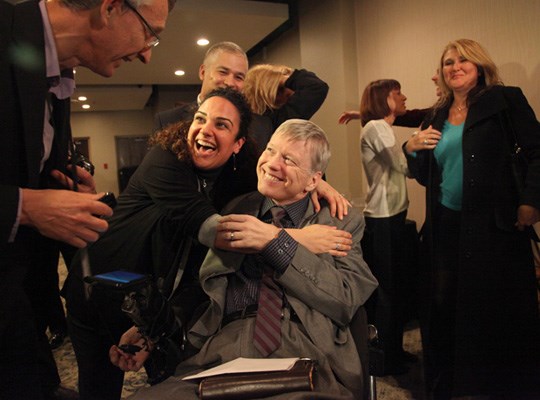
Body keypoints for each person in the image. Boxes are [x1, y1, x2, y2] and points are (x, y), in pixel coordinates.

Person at [111, 119, 378, 399]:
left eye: (289, 159)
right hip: (222, 348)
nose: (272, 164)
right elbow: (198, 285)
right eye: (271, 151)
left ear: (314, 179)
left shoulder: (340, 220)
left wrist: (275, 241)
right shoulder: (235, 208)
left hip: (305, 350)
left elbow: (347, 299)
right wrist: (153, 332)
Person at [0, 0, 174, 399]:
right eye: (150, 32)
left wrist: (52, 190)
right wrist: (23, 206)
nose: (148, 54)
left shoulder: (58, 78)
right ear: (110, 7)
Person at [404, 38, 540, 399]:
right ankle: (455, 384)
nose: (455, 66)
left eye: (463, 59)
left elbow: (537, 153)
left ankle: (502, 385)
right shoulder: (436, 115)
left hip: (496, 224)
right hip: (447, 224)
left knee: (496, 306)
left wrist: (531, 201)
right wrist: (412, 150)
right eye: (448, 61)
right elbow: (426, 174)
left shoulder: (505, 100)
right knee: (446, 305)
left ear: (479, 65)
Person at [355, 79, 427, 376]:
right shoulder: (375, 127)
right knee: (387, 290)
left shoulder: (382, 127)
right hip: (383, 219)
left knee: (396, 288)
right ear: (385, 99)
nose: (404, 97)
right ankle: (385, 358)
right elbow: (403, 166)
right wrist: (415, 142)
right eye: (398, 93)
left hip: (393, 216)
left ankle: (394, 353)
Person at [154, 41, 249, 130]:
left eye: (238, 77)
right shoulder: (168, 121)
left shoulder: (256, 127)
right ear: (203, 72)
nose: (230, 83)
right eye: (223, 72)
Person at [243, 63, 329, 152]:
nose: (289, 92)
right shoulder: (275, 120)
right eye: (280, 89)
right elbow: (316, 87)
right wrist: (285, 78)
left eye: (288, 86)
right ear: (263, 94)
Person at [338, 70, 441, 128]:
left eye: (439, 73)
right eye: (398, 93)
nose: (433, 78)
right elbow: (415, 117)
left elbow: (415, 117)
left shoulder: (444, 110)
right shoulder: (377, 130)